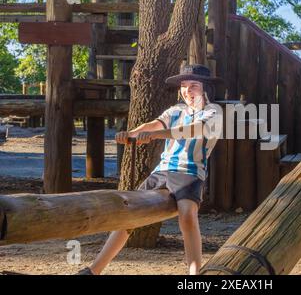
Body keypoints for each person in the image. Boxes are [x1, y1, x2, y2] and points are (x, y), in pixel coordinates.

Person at [77, 64, 222, 275]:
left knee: (187, 215)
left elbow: (190, 131)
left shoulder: (214, 111)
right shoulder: (175, 111)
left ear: (206, 88)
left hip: (189, 172)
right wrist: (132, 133)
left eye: (194, 86)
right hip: (162, 171)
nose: (187, 91)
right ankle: (94, 270)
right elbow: (152, 125)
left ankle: (194, 274)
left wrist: (154, 136)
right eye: (183, 86)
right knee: (129, 212)